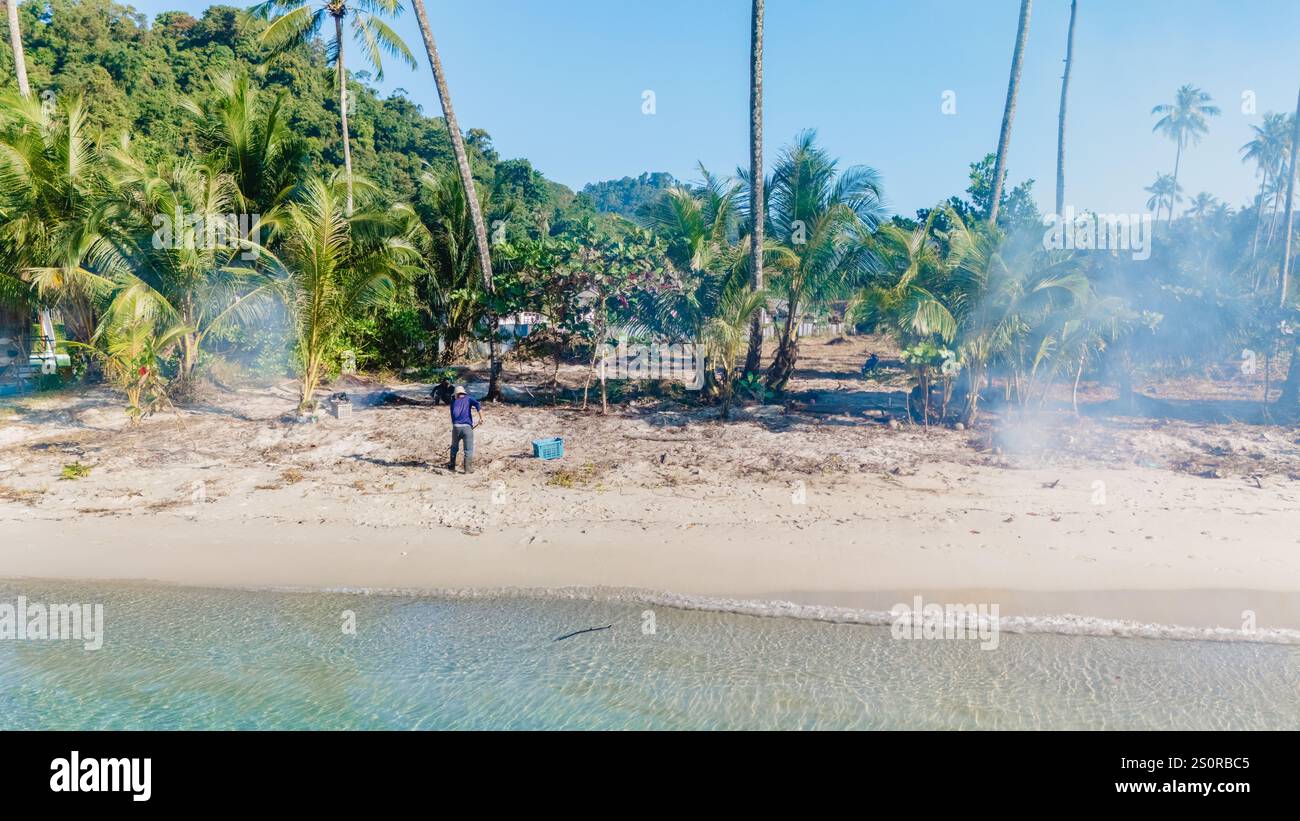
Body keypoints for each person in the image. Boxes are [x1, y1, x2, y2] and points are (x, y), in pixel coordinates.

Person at [447, 385, 482, 474]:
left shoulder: (453, 401)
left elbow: (452, 416)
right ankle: (468, 469)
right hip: (467, 428)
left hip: (456, 428)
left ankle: (451, 466)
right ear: (463, 393)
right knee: (468, 449)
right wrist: (481, 418)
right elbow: (478, 405)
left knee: (454, 447)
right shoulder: (469, 398)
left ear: (456, 394)